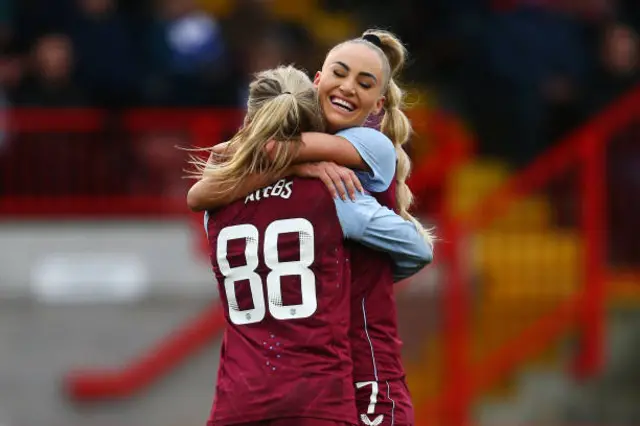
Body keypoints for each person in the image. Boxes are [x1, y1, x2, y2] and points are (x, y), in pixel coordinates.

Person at [189, 30, 431, 426]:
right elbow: (419, 250)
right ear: (317, 81)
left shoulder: (366, 148)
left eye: (364, 83)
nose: (349, 87)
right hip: (337, 376)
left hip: (299, 379)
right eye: (341, 73)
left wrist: (248, 152)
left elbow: (201, 193)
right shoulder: (330, 191)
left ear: (379, 104)